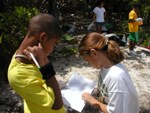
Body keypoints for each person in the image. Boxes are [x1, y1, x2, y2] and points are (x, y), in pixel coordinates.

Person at [7, 13, 66, 113]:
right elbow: (57, 104)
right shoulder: (18, 75)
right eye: (54, 44)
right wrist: (45, 64)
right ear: (42, 37)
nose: (52, 49)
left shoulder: (28, 57)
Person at [78, 32, 139, 113]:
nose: (89, 64)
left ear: (94, 53)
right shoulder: (105, 68)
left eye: (87, 60)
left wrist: (92, 101)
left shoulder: (116, 77)